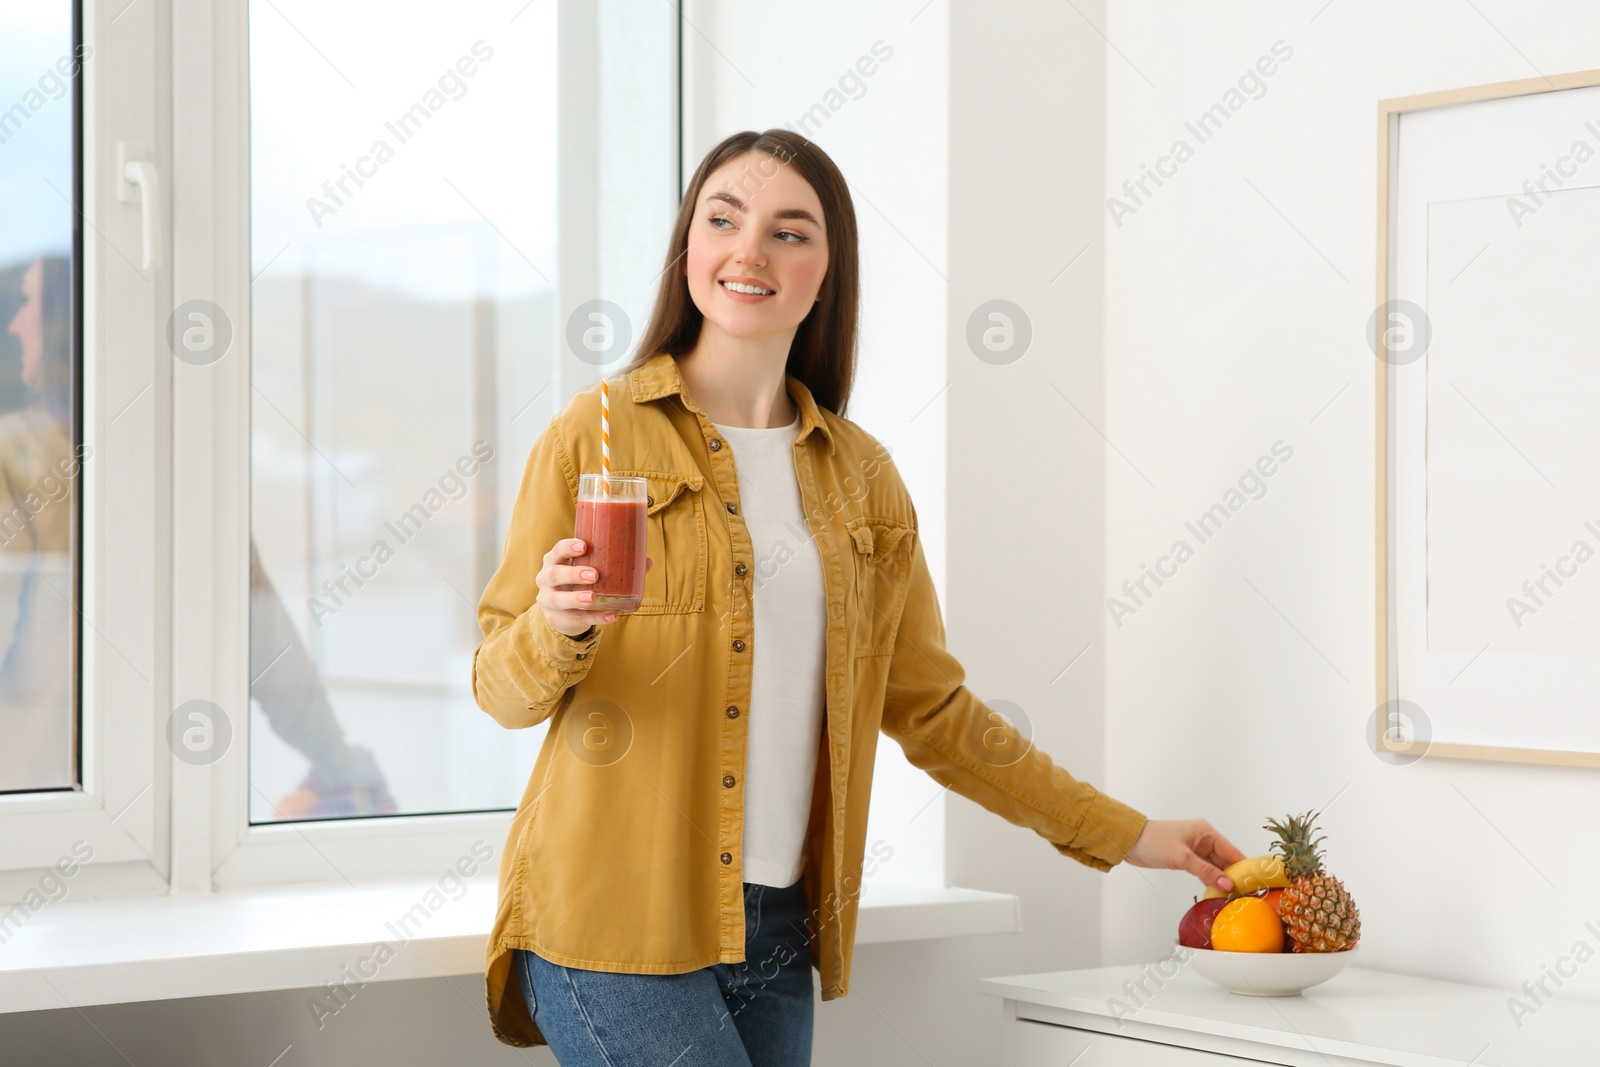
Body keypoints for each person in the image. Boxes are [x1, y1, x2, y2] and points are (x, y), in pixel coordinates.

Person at [471, 129, 1245, 1065]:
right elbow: (499, 688)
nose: (750, 250)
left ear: (827, 272)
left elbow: (937, 711)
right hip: (610, 921)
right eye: (724, 220)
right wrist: (557, 627)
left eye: (790, 232)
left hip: (777, 926)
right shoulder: (594, 441)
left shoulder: (862, 480)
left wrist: (1128, 835)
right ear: (689, 249)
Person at [0, 255, 78, 791]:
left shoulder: (14, 449)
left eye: (29, 301)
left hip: (31, 795)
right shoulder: (167, 467)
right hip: (106, 799)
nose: (15, 323)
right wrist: (337, 765)